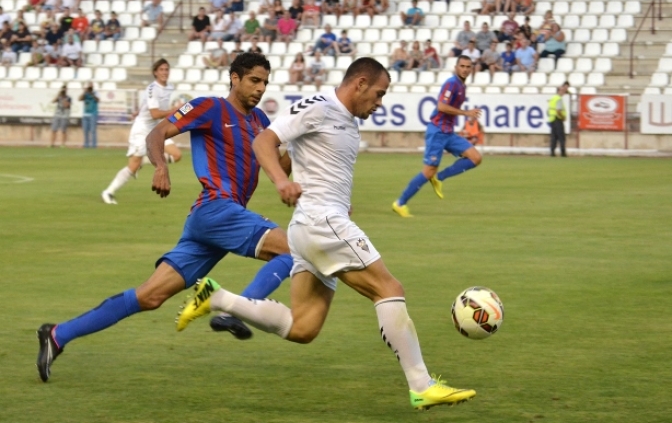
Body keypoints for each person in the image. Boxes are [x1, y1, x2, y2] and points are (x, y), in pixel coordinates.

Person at [174, 57, 477, 411]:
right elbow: (264, 142)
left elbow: (312, 164)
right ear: (360, 83)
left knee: (303, 327)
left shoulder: (347, 121)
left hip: (312, 227)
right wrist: (282, 181)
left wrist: (327, 193)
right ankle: (421, 385)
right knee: (389, 289)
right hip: (321, 222)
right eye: (378, 94)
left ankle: (219, 298)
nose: (379, 103)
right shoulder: (319, 106)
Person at [36, 53, 295, 382]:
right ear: (234, 78)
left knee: (150, 296)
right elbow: (156, 134)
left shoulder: (260, 122)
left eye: (265, 83)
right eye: (254, 80)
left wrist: (291, 148)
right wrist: (160, 166)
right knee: (294, 249)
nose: (260, 88)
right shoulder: (210, 108)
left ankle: (57, 334)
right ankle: (240, 308)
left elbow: (279, 170)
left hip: (215, 221)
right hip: (217, 209)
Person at [393, 56, 482, 217]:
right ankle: (400, 203)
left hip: (448, 132)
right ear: (456, 67)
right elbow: (441, 106)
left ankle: (440, 177)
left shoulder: (462, 85)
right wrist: (465, 113)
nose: (465, 69)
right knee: (428, 171)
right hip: (437, 132)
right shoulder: (452, 83)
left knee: (475, 157)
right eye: (462, 66)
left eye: (468, 66)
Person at [101, 59, 182, 205]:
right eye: (161, 70)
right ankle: (108, 192)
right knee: (132, 166)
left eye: (166, 69)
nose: (164, 72)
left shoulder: (170, 87)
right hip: (142, 129)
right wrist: (176, 110)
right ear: (155, 72)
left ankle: (144, 161)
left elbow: (154, 106)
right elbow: (155, 114)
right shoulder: (152, 88)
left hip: (156, 129)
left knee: (176, 155)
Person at [548, 82, 569, 157]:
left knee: (554, 137)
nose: (564, 92)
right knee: (561, 137)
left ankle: (552, 152)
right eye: (562, 91)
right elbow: (558, 110)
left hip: (552, 119)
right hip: (558, 119)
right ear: (559, 91)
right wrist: (563, 117)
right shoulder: (559, 99)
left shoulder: (553, 98)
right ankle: (563, 153)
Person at [80, 82, 99, 148]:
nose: (90, 87)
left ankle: (94, 145)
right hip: (85, 114)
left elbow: (98, 100)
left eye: (91, 86)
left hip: (93, 114)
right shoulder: (85, 93)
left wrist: (92, 94)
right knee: (85, 131)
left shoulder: (95, 92)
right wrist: (84, 92)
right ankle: (86, 145)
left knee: (93, 130)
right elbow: (80, 99)